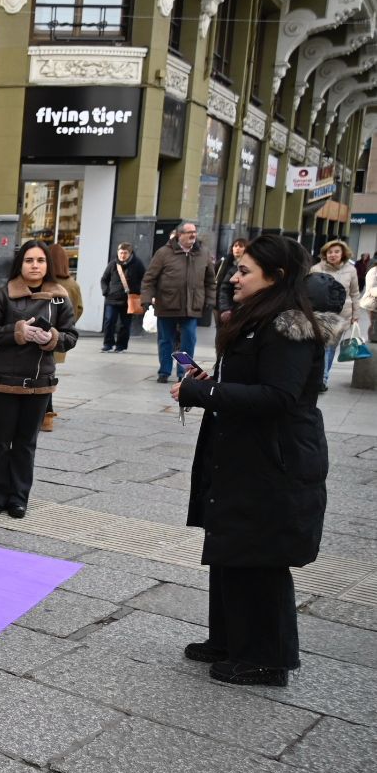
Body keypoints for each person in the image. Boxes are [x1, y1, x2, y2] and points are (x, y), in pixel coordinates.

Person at [174, 234, 330, 686]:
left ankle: (267, 657)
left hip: (273, 462)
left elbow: (278, 395)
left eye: (245, 271)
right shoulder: (257, 318)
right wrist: (209, 380)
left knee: (259, 556)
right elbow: (250, 379)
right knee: (231, 547)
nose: (234, 277)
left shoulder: (287, 326)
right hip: (243, 455)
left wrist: (202, 391)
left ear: (275, 278)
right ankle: (229, 639)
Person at [0, 240, 78, 518]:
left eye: (40, 261)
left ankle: (19, 497)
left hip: (39, 384)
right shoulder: (3, 295)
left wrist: (52, 338)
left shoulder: (59, 297)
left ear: (48, 265)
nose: (35, 265)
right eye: (29, 260)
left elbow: (70, 336)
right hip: (2, 381)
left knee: (25, 443)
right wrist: (17, 331)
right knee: (0, 441)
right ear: (20, 264)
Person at [141, 222, 214, 383]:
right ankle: (164, 371)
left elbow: (210, 280)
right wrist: (146, 298)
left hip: (191, 307)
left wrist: (210, 299)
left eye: (194, 232)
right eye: (189, 232)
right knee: (166, 340)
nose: (193, 235)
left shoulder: (203, 253)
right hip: (167, 304)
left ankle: (184, 373)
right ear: (179, 235)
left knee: (189, 340)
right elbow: (149, 279)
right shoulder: (163, 253)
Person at [41, 243, 82, 432]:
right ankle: (46, 415)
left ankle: (45, 415)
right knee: (49, 374)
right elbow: (79, 309)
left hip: (42, 335)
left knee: (42, 375)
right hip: (63, 336)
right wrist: (67, 326)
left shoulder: (45, 284)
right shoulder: (72, 285)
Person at [310, 239, 358, 391]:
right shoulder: (316, 269)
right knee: (322, 346)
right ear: (325, 254)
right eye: (330, 252)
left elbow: (355, 293)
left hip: (342, 314)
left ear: (343, 254)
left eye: (336, 252)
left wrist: (355, 314)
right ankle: (321, 379)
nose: (333, 255)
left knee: (330, 347)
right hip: (320, 314)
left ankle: (323, 377)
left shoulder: (351, 270)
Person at [100, 242, 144, 352]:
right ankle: (108, 344)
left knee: (125, 325)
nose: (122, 255)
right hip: (112, 299)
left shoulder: (137, 264)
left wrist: (140, 292)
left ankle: (121, 346)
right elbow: (104, 279)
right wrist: (106, 291)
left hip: (129, 300)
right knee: (109, 321)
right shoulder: (113, 264)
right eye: (120, 253)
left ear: (130, 253)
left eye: (125, 253)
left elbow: (146, 278)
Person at [214, 236, 246, 324]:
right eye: (235, 246)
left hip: (236, 302)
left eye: (241, 246)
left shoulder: (247, 265)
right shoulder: (223, 262)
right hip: (219, 301)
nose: (237, 248)